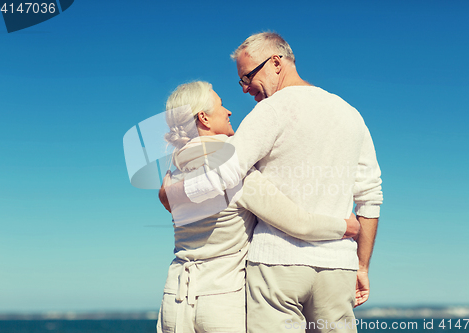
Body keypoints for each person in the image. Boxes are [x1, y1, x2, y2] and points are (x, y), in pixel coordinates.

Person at [160, 32, 383, 332]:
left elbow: (227, 170)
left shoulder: (268, 112)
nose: (244, 89)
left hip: (274, 266)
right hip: (338, 264)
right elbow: (370, 196)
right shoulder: (351, 115)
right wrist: (362, 265)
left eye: (247, 77)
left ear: (276, 63)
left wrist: (171, 192)